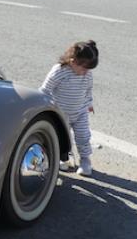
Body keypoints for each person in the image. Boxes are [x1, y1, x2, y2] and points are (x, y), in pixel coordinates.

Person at [39, 40, 99, 176]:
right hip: (61, 114)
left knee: (83, 137)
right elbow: (45, 90)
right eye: (83, 68)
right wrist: (43, 107)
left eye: (88, 69)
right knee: (62, 138)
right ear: (73, 61)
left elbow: (88, 90)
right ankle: (63, 158)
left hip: (80, 112)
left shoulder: (87, 74)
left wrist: (89, 104)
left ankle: (85, 160)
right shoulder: (59, 71)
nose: (86, 72)